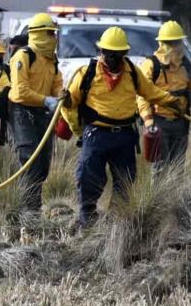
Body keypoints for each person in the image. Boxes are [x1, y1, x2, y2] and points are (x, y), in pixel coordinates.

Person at [62, 27, 183, 228]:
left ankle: (118, 223)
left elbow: (151, 92)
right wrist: (78, 130)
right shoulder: (87, 73)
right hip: (96, 134)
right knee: (89, 175)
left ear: (123, 54)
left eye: (114, 54)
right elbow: (69, 104)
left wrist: (172, 101)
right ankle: (86, 219)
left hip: (125, 136)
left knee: (125, 180)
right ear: (100, 50)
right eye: (106, 52)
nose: (109, 57)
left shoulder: (132, 73)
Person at [8, 13, 63, 214]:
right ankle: (27, 210)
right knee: (30, 158)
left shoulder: (51, 59)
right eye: (50, 33)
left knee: (43, 163)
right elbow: (20, 91)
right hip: (22, 113)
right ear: (39, 33)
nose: (54, 38)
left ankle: (34, 206)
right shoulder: (23, 57)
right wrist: (45, 99)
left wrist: (59, 95)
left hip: (43, 114)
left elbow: (56, 83)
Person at [137, 20, 191, 175]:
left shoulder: (186, 66)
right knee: (159, 169)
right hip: (158, 123)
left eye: (176, 42)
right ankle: (158, 199)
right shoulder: (151, 65)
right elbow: (142, 96)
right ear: (162, 43)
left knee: (177, 169)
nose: (174, 46)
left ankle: (174, 199)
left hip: (181, 123)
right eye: (170, 42)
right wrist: (148, 121)